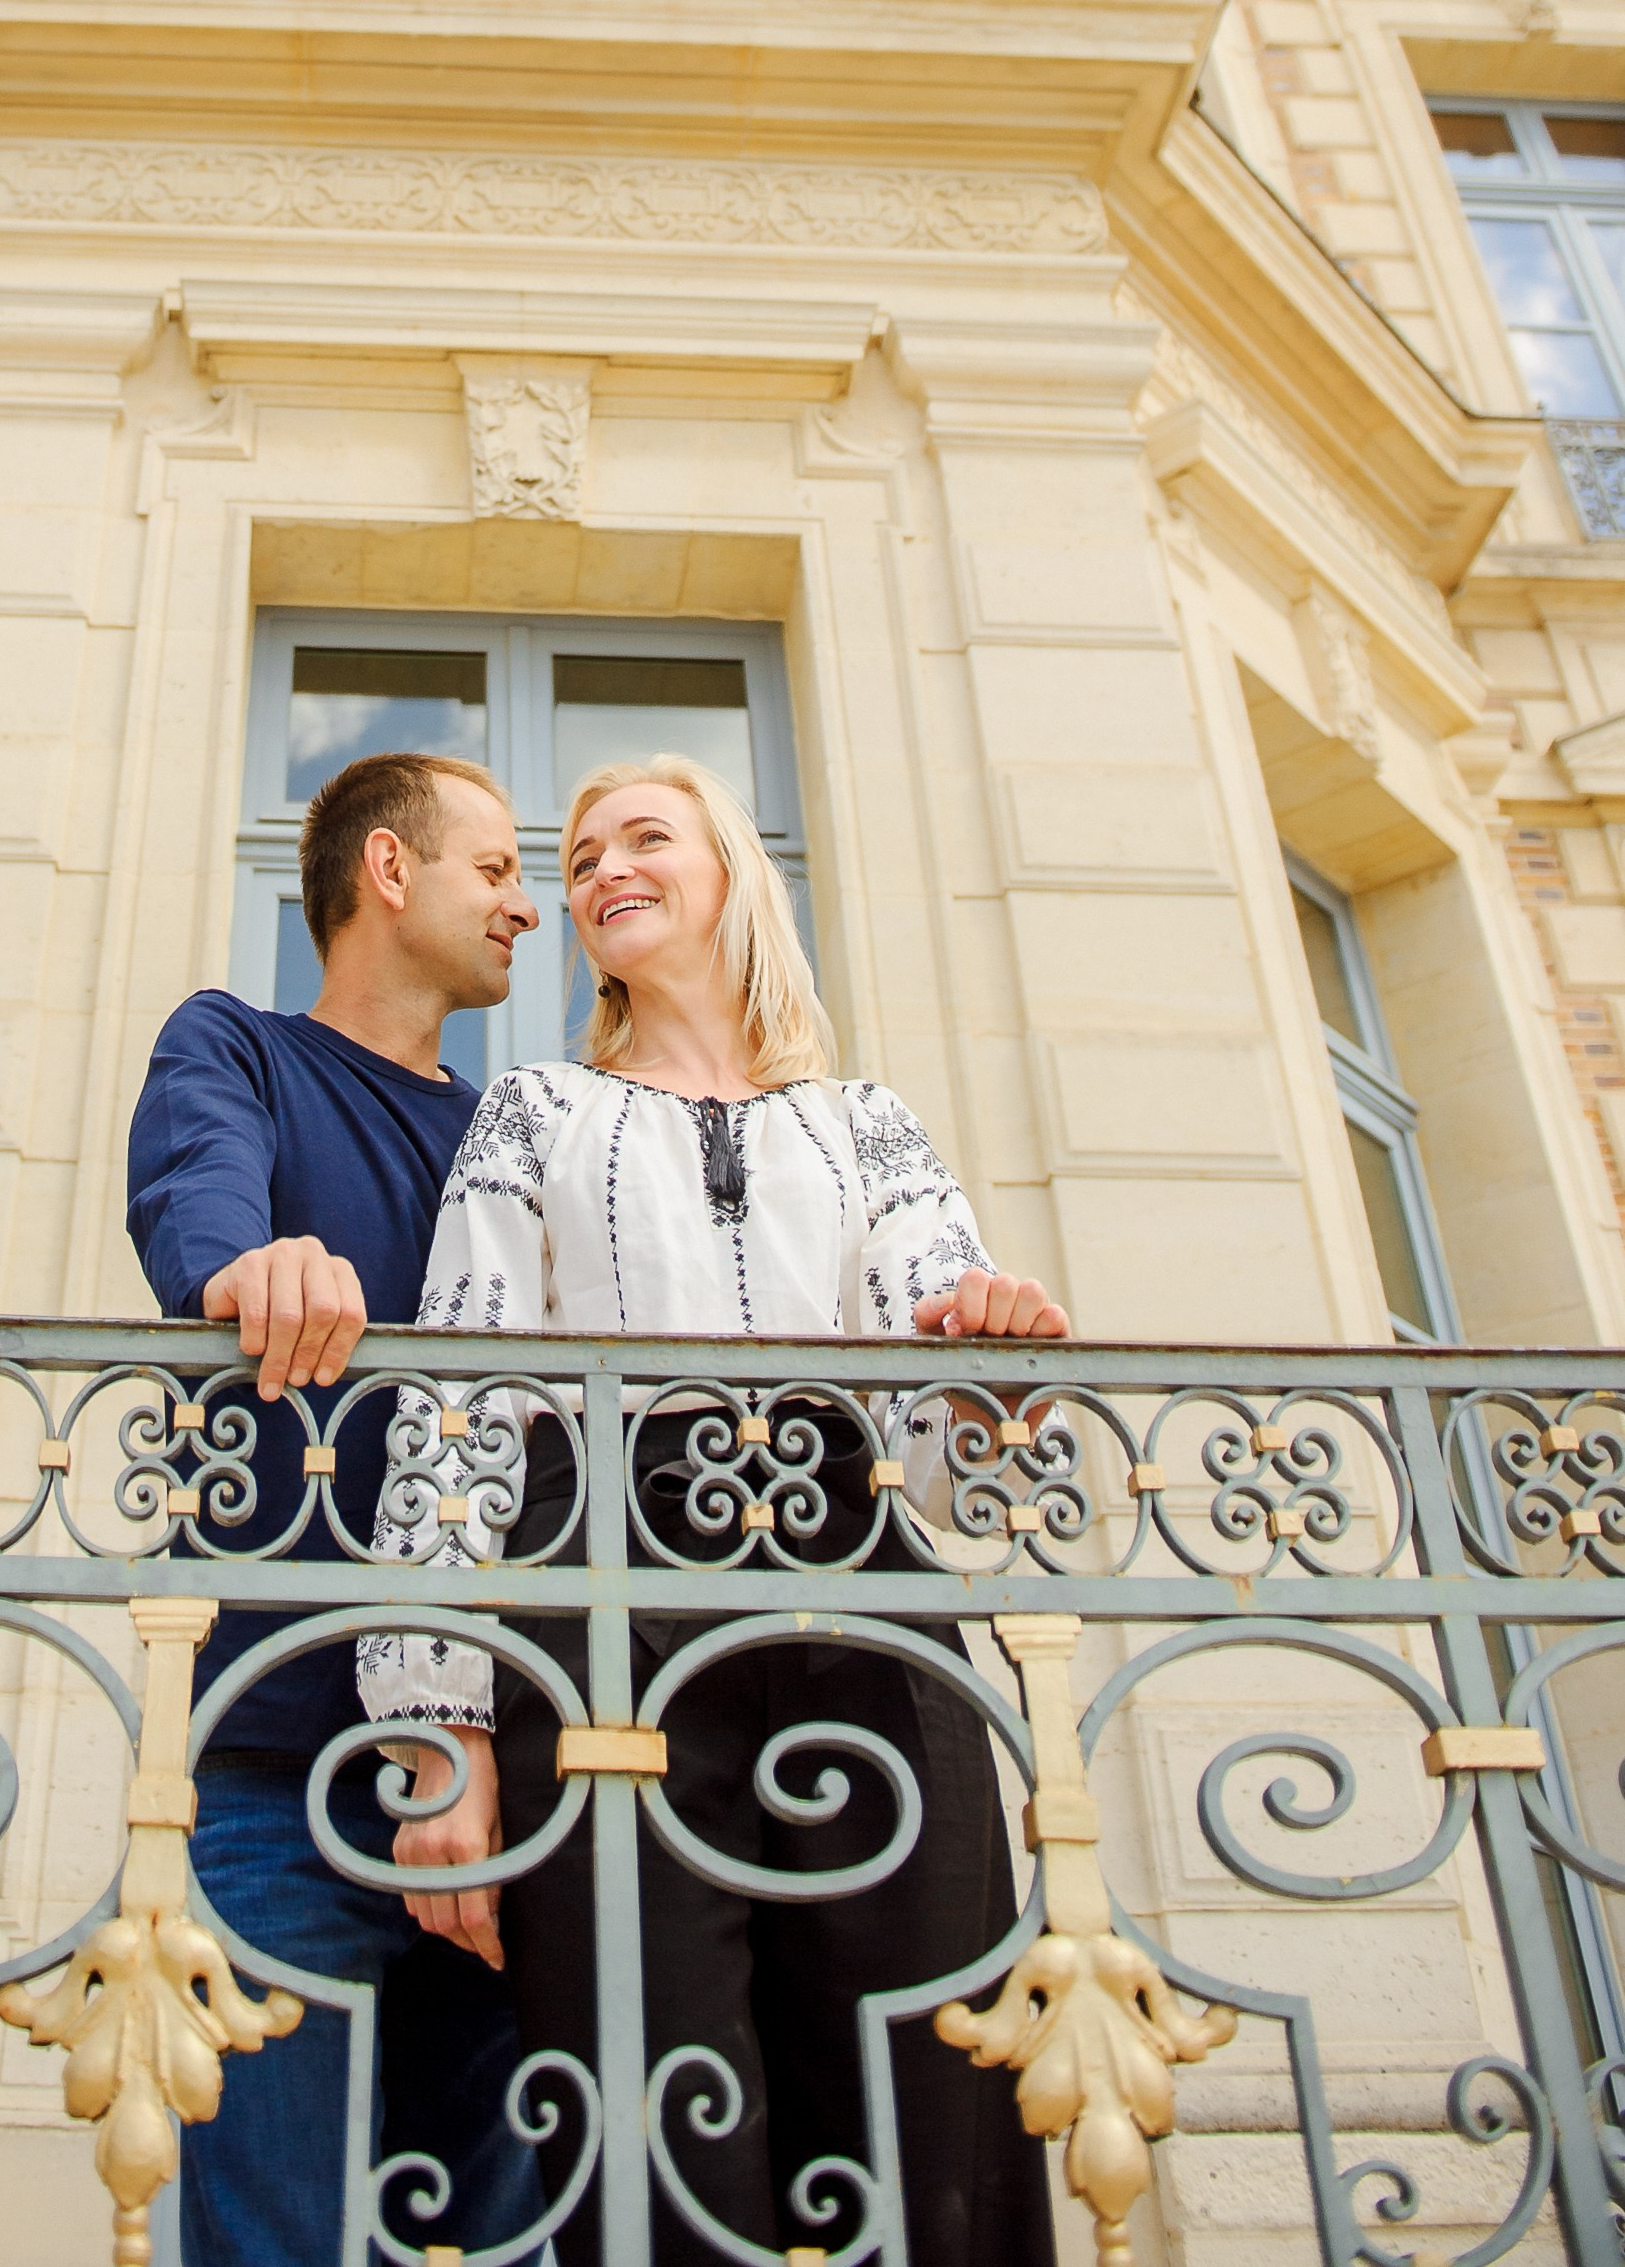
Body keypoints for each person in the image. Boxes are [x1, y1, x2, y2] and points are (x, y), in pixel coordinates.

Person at [359, 753, 1067, 2267]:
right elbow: (460, 1404)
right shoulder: (534, 1112)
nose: (601, 867)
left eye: (642, 838)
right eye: (578, 851)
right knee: (648, 2108)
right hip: (602, 1603)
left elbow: (947, 1458)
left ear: (731, 871)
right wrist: (435, 1726)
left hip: (868, 1613)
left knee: (928, 2096)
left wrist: (987, 1375)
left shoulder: (864, 1122)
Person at [125, 748, 543, 2267]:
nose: (527, 909)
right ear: (388, 872)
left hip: (509, 1756)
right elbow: (197, 1186)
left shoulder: (522, 1136)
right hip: (273, 1749)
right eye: (495, 870)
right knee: (272, 2238)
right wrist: (249, 1261)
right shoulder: (234, 1046)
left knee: (491, 2239)